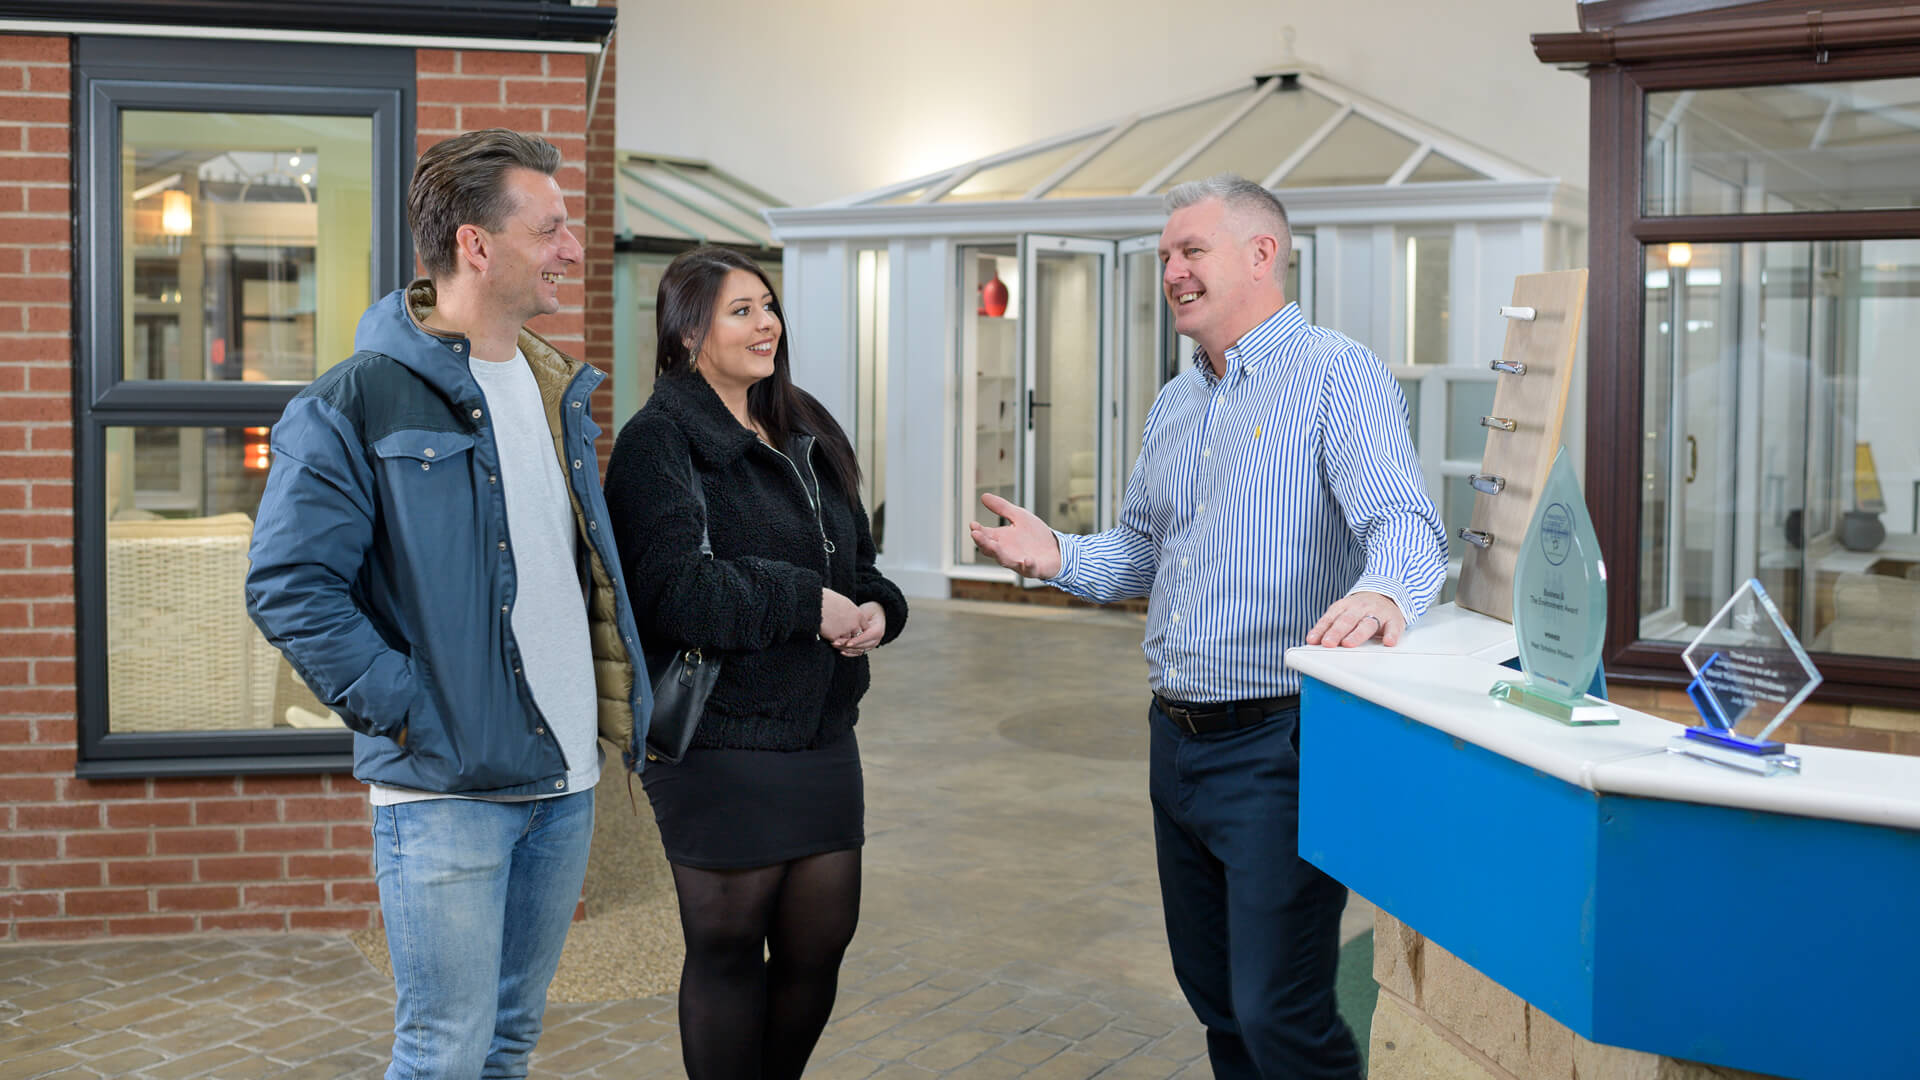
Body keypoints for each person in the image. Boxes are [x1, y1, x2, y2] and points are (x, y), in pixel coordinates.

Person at [970, 174, 1446, 1080]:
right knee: (1219, 1003)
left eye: (1191, 251)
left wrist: (1385, 595)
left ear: (1262, 254)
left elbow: (1405, 524)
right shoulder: (1176, 402)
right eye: (1165, 258)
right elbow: (1142, 553)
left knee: (1278, 1012)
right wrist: (1057, 555)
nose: (1172, 272)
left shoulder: (1335, 374)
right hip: (1175, 743)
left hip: (1279, 746)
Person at [245, 129, 651, 1080]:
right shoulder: (352, 402)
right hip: (444, 795)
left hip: (565, 782)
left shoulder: (556, 392)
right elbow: (288, 584)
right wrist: (409, 709)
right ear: (476, 244)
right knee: (443, 1055)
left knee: (508, 1044)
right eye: (548, 229)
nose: (571, 248)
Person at [603, 245, 908, 1080]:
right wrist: (806, 603)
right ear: (687, 331)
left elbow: (860, 565)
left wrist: (881, 611)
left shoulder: (807, 426)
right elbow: (674, 593)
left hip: (820, 733)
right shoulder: (658, 442)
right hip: (720, 736)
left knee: (821, 943)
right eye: (741, 310)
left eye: (768, 306)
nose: (766, 323)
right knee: (728, 947)